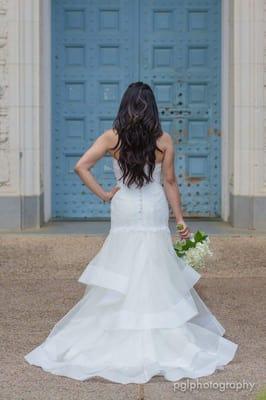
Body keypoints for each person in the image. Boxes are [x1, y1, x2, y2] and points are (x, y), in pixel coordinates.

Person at [24, 82, 238, 384]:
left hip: (123, 204)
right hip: (152, 206)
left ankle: (116, 328)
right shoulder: (163, 140)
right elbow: (170, 182)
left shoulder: (113, 137)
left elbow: (81, 166)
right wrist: (179, 221)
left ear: (124, 105)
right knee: (154, 264)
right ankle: (161, 335)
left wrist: (104, 194)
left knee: (122, 261)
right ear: (152, 108)